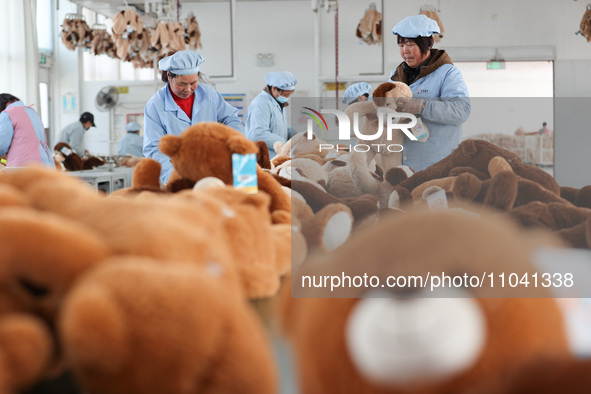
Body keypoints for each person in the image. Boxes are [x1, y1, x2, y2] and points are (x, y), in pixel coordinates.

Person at [144, 50, 244, 183]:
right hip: (178, 172)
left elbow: (231, 118)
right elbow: (154, 149)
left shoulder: (209, 95)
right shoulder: (155, 105)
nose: (188, 89)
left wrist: (235, 143)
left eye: (193, 83)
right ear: (169, 76)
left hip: (212, 168)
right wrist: (175, 179)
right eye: (182, 84)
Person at [390, 14, 470, 171]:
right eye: (401, 46)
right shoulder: (396, 76)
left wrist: (423, 106)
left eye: (410, 45)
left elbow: (462, 110)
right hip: (402, 165)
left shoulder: (447, 73)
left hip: (436, 165)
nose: (405, 51)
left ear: (427, 44)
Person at [245, 71, 297, 158]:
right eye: (285, 94)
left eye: (289, 94)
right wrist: (286, 144)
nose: (287, 97)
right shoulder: (261, 103)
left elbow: (281, 128)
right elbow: (258, 133)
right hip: (262, 159)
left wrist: (299, 136)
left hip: (275, 158)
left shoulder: (279, 104)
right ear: (274, 89)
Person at [0, 93, 55, 168]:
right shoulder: (32, 111)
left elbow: (2, 144)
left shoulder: (7, 113)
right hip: (45, 160)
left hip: (23, 163)